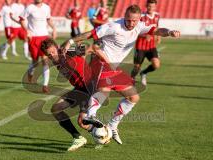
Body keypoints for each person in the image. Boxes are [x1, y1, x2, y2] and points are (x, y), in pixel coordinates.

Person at [61, 5, 180, 145]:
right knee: (104, 90)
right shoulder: (113, 26)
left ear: (138, 19)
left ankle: (112, 125)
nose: (130, 23)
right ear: (124, 16)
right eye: (128, 20)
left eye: (134, 21)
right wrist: (70, 42)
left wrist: (170, 31)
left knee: (133, 97)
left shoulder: (140, 26)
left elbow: (158, 30)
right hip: (100, 62)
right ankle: (90, 115)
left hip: (114, 67)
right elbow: (90, 34)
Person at [41, 38, 94, 151]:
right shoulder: (55, 61)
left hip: (89, 86)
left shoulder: (67, 51)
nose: (52, 55)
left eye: (53, 52)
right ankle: (79, 137)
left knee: (82, 122)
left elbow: (89, 48)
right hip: (79, 89)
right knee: (56, 109)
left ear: (57, 48)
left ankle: (102, 131)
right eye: (49, 54)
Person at [19, 0, 57, 93]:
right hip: (34, 38)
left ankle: (45, 85)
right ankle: (30, 72)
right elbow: (22, 19)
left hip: (44, 37)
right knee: (35, 61)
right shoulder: (30, 8)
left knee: (45, 60)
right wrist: (27, 30)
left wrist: (54, 28)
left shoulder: (46, 7)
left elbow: (48, 19)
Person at [131, 0, 161, 86]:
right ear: (146, 6)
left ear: (155, 7)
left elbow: (157, 26)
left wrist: (158, 36)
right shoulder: (141, 17)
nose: (151, 8)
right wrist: (144, 36)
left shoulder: (157, 16)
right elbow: (134, 30)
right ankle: (130, 81)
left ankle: (144, 73)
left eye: (152, 6)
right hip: (140, 47)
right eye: (149, 6)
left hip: (151, 46)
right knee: (136, 68)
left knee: (156, 64)